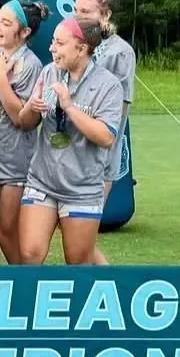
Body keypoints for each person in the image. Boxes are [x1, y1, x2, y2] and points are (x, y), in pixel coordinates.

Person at [16, 17, 124, 265]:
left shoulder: (108, 85)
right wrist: (31, 107)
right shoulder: (49, 72)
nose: (52, 48)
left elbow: (107, 137)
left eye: (60, 43)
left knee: (78, 263)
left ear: (82, 48)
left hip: (82, 188)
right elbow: (26, 122)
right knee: (30, 254)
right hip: (42, 181)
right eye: (53, 41)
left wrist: (69, 107)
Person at [0, 0, 49, 265]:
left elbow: (22, 119)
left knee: (7, 235)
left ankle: (23, 293)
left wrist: (1, 78)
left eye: (6, 23)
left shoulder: (32, 65)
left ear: (24, 32)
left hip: (15, 166)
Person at [75, 0, 136, 203]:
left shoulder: (120, 52)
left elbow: (121, 109)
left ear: (105, 15)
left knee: (85, 224)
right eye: (75, 10)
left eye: (85, 11)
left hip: (98, 153)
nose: (77, 16)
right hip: (68, 151)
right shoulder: (70, 44)